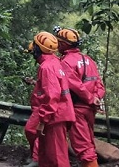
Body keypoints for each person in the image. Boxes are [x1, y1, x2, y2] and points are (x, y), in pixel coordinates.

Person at [55, 27, 105, 167]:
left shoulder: (65, 62)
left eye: (59, 42)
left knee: (82, 145)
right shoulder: (88, 60)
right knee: (88, 142)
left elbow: (76, 86)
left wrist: (89, 98)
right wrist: (96, 98)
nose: (57, 45)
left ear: (64, 44)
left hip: (77, 108)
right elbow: (99, 85)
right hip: (90, 109)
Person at [24, 31, 75, 167]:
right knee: (46, 157)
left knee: (58, 158)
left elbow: (52, 95)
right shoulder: (54, 62)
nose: (32, 48)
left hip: (55, 117)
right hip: (57, 114)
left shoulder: (47, 67)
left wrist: (43, 120)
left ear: (39, 48)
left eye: (34, 45)